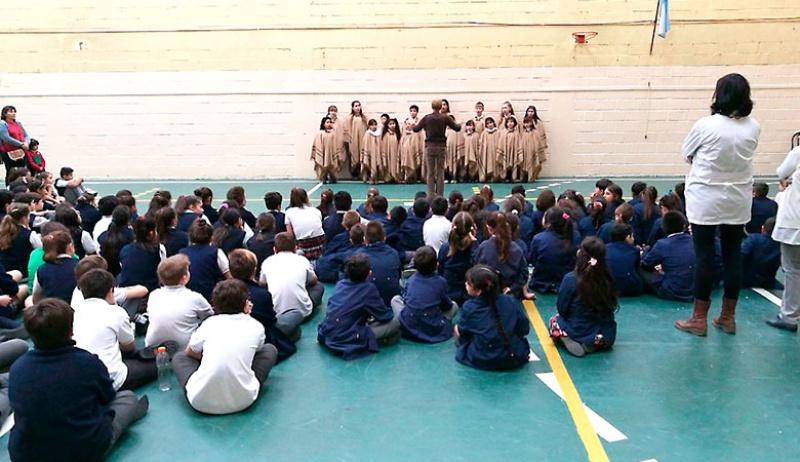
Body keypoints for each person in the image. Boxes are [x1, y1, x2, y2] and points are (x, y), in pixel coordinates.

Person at [9, 298, 149, 462]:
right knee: (127, 398)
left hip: (27, 455)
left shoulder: (17, 368)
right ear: (71, 331)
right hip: (80, 451)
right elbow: (107, 397)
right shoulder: (86, 362)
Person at [676, 73, 760, 336]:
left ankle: (698, 319)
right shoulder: (754, 127)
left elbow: (686, 154)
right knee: (732, 255)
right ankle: (727, 317)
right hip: (737, 199)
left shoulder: (705, 125)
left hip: (705, 199)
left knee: (704, 256)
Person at [173, 279, 277, 415]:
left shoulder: (209, 323)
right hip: (244, 400)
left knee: (180, 357)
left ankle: (204, 382)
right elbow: (257, 351)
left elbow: (190, 352)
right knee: (269, 350)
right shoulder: (256, 326)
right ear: (246, 304)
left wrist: (210, 356)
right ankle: (244, 382)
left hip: (200, 402)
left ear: (214, 305)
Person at [73, 269, 157, 391]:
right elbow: (129, 347)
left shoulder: (74, 313)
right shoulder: (116, 312)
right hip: (111, 379)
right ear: (110, 291)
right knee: (157, 364)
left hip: (81, 378)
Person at [317, 253, 400, 360]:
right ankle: (377, 341)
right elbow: (385, 316)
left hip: (328, 332)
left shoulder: (340, 284)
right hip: (347, 336)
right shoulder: (368, 289)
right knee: (395, 323)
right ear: (369, 273)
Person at [549, 237, 618, 358]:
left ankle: (568, 337)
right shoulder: (608, 278)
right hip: (605, 335)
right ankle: (592, 343)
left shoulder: (571, 279)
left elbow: (562, 308)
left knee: (554, 320)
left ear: (580, 254)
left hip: (578, 330)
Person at [455, 265, 530, 371]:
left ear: (478, 290)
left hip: (484, 359)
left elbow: (463, 333)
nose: (465, 284)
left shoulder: (469, 307)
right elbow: (524, 328)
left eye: (468, 283)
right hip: (513, 356)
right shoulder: (510, 300)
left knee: (457, 329)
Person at [229, 249, 296, 362]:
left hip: (235, 338)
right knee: (294, 317)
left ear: (231, 271)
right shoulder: (262, 294)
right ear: (254, 270)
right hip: (262, 336)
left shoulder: (224, 292)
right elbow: (272, 320)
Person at [260, 232, 324, 338]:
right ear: (295, 248)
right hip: (303, 311)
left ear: (274, 249)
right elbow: (314, 281)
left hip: (277, 312)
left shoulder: (267, 262)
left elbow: (262, 284)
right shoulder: (302, 261)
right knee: (319, 287)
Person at [145, 255, 214, 349]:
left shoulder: (154, 295)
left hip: (153, 347)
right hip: (185, 348)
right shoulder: (194, 297)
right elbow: (209, 317)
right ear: (184, 278)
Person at [766, 144, 800, 331]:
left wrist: (787, 179)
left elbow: (781, 172)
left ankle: (789, 316)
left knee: (793, 270)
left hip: (795, 224)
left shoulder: (798, 152)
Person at [396, 246, 457, 343]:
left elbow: (406, 300)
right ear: (436, 265)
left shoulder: (410, 281)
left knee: (395, 300)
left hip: (409, 327)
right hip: (433, 328)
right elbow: (447, 305)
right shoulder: (441, 282)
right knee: (454, 306)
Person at [642, 211, 695, 304]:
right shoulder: (694, 241)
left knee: (640, 270)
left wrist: (645, 251)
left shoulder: (662, 244)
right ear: (684, 226)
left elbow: (646, 264)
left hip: (671, 290)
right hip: (695, 290)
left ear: (663, 228)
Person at [475, 212, 532, 299]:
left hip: (488, 293)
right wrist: (512, 288)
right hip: (510, 295)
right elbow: (524, 273)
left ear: (489, 228)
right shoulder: (517, 249)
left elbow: (476, 268)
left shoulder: (483, 247)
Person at [412, 99, 462, 197]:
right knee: (440, 172)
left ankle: (430, 195)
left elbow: (416, 129)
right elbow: (457, 128)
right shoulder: (445, 117)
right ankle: (440, 195)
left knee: (430, 173)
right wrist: (459, 123)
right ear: (440, 107)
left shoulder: (427, 118)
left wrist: (413, 125)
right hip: (441, 147)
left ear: (432, 106)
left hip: (430, 146)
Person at [180, 219, 231, 302]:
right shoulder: (217, 252)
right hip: (211, 299)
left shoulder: (182, 253)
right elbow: (229, 277)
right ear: (211, 237)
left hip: (187, 298)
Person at [528, 208, 577, 293]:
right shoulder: (573, 237)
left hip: (539, 283)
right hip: (563, 283)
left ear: (548, 223)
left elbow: (532, 260)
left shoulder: (538, 238)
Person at [354, 222, 402, 307]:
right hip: (390, 301)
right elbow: (398, 276)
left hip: (367, 303)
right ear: (384, 238)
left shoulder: (358, 256)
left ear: (365, 239)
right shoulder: (394, 253)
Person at [438, 212, 477, 306]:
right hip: (468, 296)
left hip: (449, 294)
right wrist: (475, 243)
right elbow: (478, 268)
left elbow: (440, 270)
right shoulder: (474, 249)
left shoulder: (445, 248)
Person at [118, 216, 165, 294]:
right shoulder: (159, 249)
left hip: (127, 290)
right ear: (151, 233)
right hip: (150, 291)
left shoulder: (125, 249)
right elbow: (163, 272)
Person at [31, 230, 77, 304]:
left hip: (52, 308)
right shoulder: (79, 265)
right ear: (69, 246)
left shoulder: (41, 270)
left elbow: (36, 297)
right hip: (75, 307)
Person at [0, 203, 41, 277]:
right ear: (24, 218)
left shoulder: (2, 232)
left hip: (3, 273)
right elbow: (40, 250)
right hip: (23, 274)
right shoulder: (30, 235)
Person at [285, 187, 325, 262]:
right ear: (306, 197)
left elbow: (290, 235)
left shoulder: (289, 212)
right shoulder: (316, 211)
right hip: (320, 242)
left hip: (303, 244)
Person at [741, 218, 782, 290]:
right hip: (768, 282)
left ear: (762, 228)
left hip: (746, 280)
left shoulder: (754, 238)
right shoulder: (780, 246)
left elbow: (742, 255)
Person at [605, 223, 643, 296]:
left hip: (609, 288)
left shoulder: (604, 248)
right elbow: (636, 269)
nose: (633, 239)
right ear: (628, 237)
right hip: (630, 289)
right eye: (632, 236)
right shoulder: (635, 251)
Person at [97, 205, 133, 276]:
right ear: (129, 220)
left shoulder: (102, 236)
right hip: (123, 273)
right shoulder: (131, 236)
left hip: (106, 273)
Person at [0, 106, 32, 183]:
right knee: (11, 172)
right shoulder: (2, 124)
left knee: (22, 171)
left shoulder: (18, 123)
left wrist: (26, 142)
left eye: (14, 111)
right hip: (9, 152)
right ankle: (9, 187)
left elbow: (26, 135)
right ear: (5, 114)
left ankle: (21, 186)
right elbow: (6, 138)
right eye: (11, 112)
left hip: (21, 151)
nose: (13, 113)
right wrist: (21, 144)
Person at [311, 115, 342, 183]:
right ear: (323, 124)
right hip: (323, 153)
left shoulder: (333, 133)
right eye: (327, 122)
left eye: (330, 122)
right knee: (323, 164)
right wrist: (320, 153)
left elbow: (336, 144)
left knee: (332, 165)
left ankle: (332, 177)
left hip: (331, 153)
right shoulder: (320, 133)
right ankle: (323, 177)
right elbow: (318, 144)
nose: (329, 124)